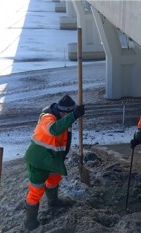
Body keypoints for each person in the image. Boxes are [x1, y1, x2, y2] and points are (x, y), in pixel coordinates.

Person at [23, 94, 85, 231]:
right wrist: (73, 116)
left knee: (54, 180)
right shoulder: (48, 118)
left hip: (52, 159)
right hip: (38, 161)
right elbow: (53, 130)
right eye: (69, 114)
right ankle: (30, 221)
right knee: (36, 190)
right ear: (64, 112)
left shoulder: (63, 116)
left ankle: (53, 201)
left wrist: (73, 115)